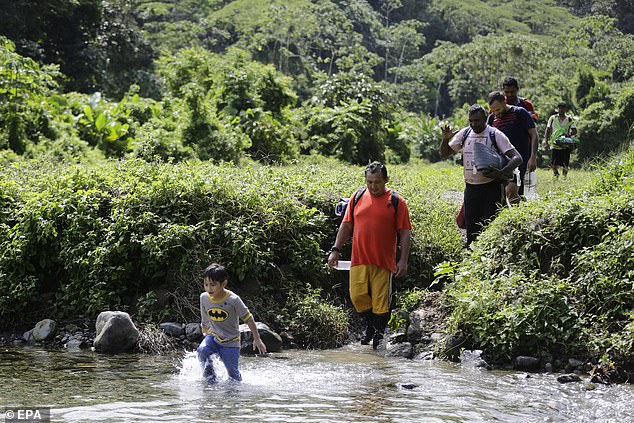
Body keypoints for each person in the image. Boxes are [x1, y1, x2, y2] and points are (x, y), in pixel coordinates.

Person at [327, 162, 412, 350]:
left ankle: (378, 336)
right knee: (357, 297)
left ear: (386, 180)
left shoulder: (397, 201)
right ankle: (370, 327)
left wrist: (403, 260)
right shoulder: (357, 197)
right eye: (369, 182)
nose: (373, 186)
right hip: (359, 259)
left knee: (381, 303)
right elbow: (347, 225)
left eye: (377, 182)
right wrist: (335, 249)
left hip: (384, 262)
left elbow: (405, 232)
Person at [441, 104, 523, 245]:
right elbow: (444, 154)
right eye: (471, 121)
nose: (474, 124)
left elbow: (517, 158)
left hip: (492, 188)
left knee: (490, 227)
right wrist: (445, 139)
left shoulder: (495, 134)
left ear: (485, 118)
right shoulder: (465, 133)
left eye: (477, 120)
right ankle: (472, 259)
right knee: (471, 229)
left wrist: (501, 173)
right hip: (471, 189)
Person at [197, 263, 267, 384]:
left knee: (233, 375)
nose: (209, 288)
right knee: (202, 350)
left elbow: (249, 319)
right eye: (206, 284)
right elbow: (205, 315)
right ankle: (210, 380)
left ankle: (235, 397)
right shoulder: (204, 297)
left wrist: (257, 339)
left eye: (213, 285)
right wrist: (204, 329)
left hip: (231, 341)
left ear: (223, 284)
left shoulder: (233, 300)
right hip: (213, 336)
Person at [487, 91, 539, 204]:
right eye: (493, 111)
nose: (497, 114)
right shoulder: (492, 118)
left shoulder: (519, 113)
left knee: (513, 192)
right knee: (500, 195)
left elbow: (534, 134)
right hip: (500, 162)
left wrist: (533, 157)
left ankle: (518, 217)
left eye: (498, 110)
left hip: (519, 160)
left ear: (504, 102)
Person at [544, 102, 578, 179]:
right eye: (560, 108)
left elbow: (575, 131)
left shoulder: (569, 119)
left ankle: (564, 177)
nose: (561, 110)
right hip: (555, 143)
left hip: (565, 144)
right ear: (558, 109)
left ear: (565, 109)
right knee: (553, 163)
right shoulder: (552, 118)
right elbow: (548, 130)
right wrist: (546, 142)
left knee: (565, 163)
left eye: (563, 108)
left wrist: (568, 135)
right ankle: (556, 174)